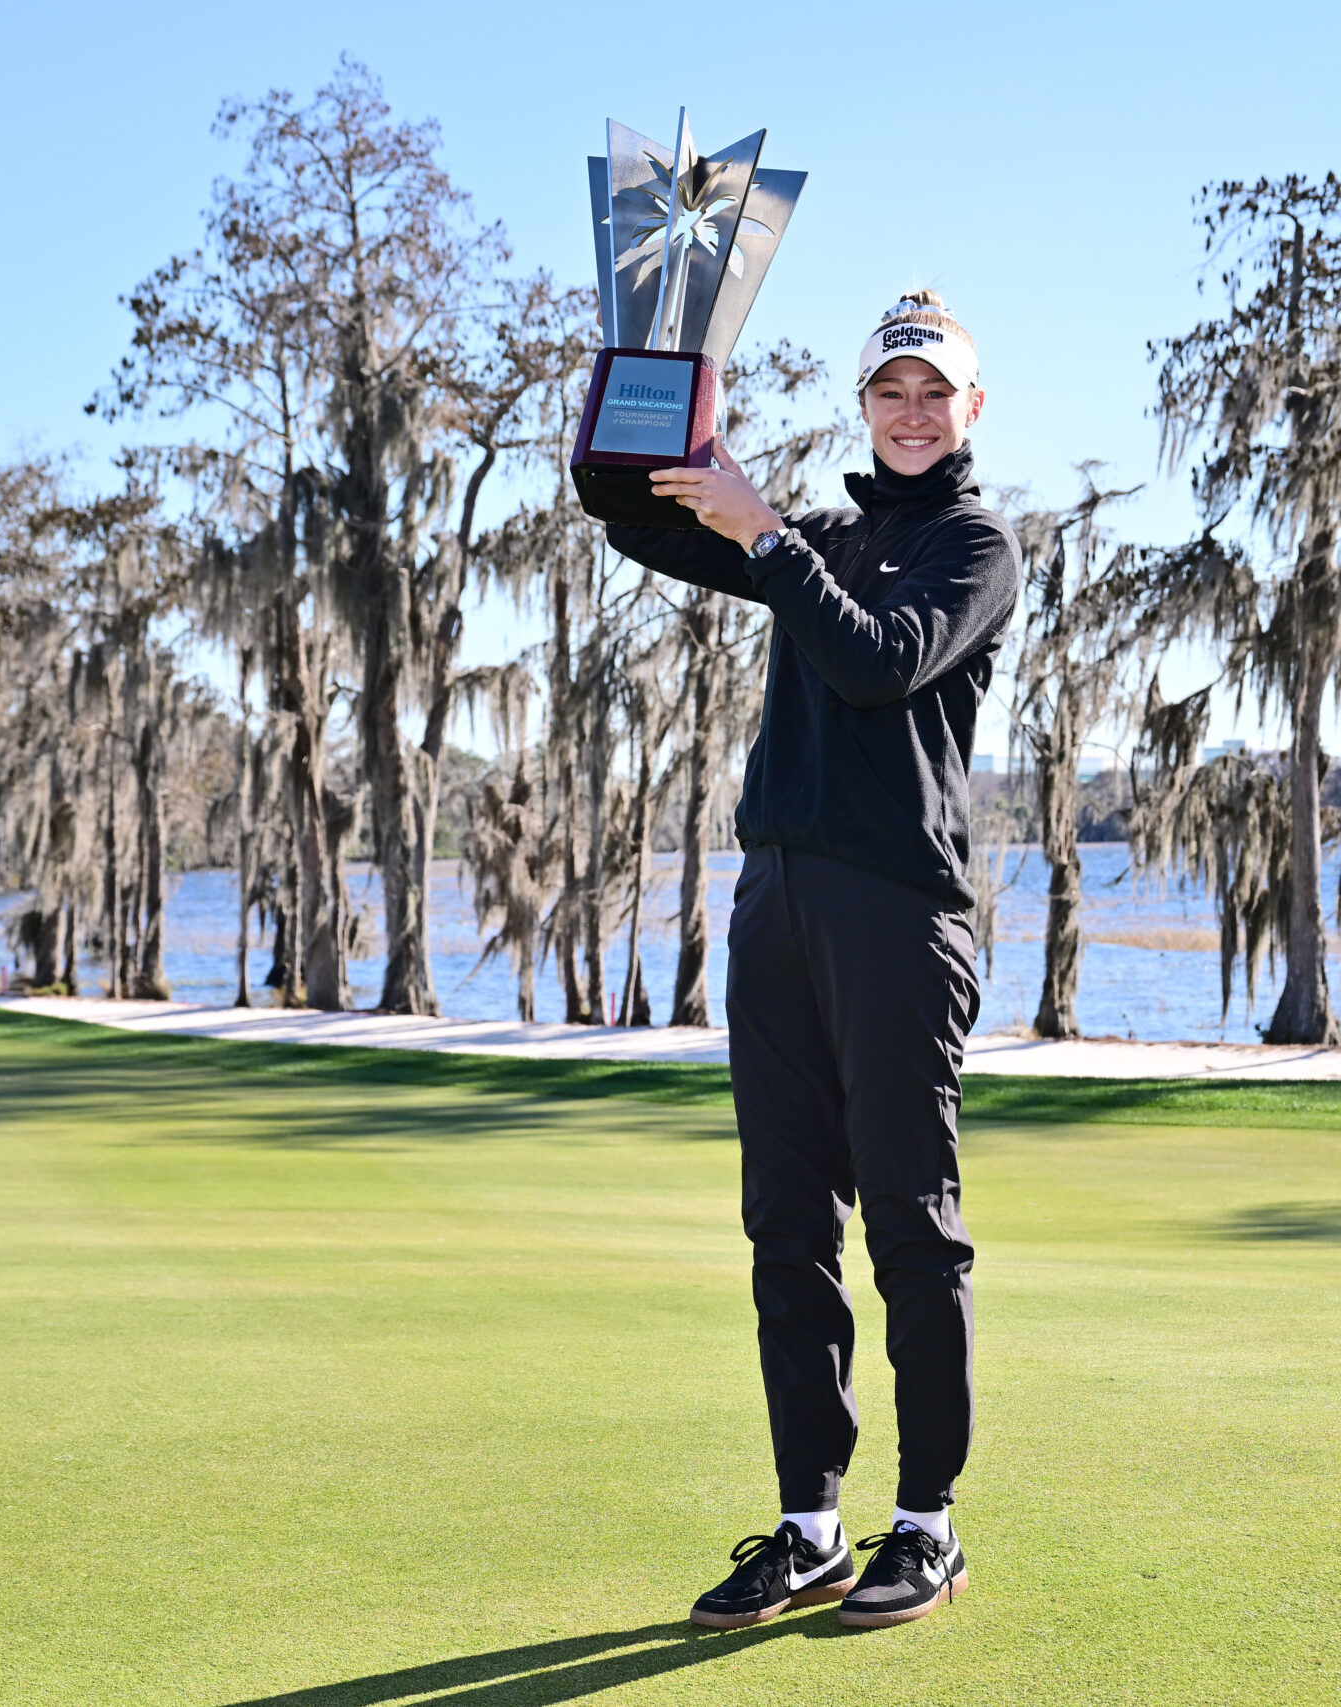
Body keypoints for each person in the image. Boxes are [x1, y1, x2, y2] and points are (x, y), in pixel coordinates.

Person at [605, 290, 1019, 1631]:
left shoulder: (976, 547)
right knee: (787, 1225)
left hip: (900, 913)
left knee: (908, 1226)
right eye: (890, 390)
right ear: (864, 404)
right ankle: (808, 1527)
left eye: (933, 392)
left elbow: (877, 665)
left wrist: (764, 527)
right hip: (775, 906)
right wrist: (654, 374)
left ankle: (928, 1526)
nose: (911, 411)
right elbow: (632, 515)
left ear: (970, 410)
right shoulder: (826, 536)